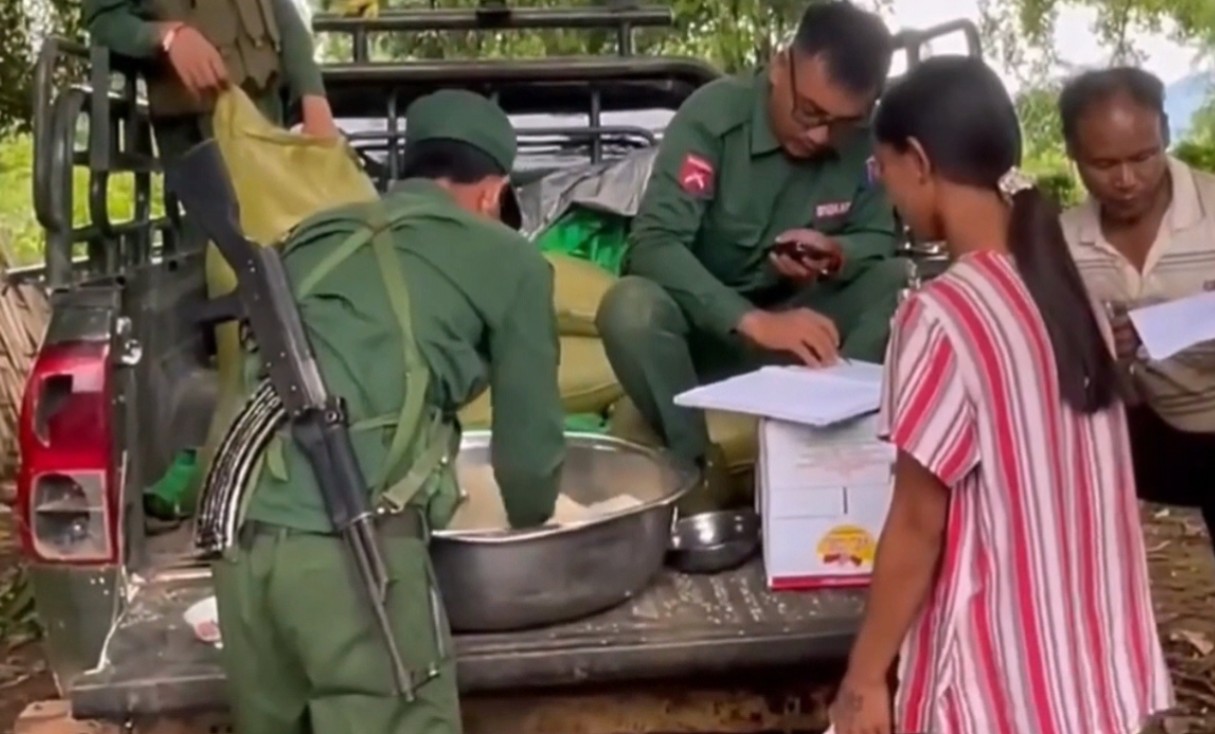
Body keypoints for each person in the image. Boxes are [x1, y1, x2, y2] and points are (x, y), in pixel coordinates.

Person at [193, 89, 565, 734]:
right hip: (350, 561)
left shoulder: (309, 235)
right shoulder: (512, 262)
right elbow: (529, 458)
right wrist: (532, 523)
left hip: (240, 550)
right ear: (490, 192)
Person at [830, 56, 1172, 734]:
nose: (888, 193)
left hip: (998, 685)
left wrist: (865, 677)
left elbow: (916, 526)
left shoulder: (941, 316)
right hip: (1091, 678)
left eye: (884, 172)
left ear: (917, 160)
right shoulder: (1068, 292)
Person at [595, 0, 905, 508]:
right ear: (781, 68)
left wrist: (836, 254)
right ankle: (697, 472)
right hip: (703, 338)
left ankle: (833, 446)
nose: (820, 134)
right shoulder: (714, 119)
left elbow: (879, 242)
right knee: (629, 307)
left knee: (899, 281)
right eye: (810, 113)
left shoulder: (863, 144)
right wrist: (751, 320)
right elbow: (653, 244)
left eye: (843, 122)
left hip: (806, 340)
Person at [1058, 67, 1215, 553]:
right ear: (1073, 154)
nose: (1127, 181)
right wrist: (1097, 351)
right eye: (1103, 164)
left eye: (1144, 157)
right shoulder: (1064, 243)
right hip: (1149, 436)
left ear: (1166, 134)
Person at [84, 0, 339, 158]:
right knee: (220, 241)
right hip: (196, 130)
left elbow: (284, 14)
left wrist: (313, 96)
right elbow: (104, 22)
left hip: (269, 116)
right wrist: (167, 37)